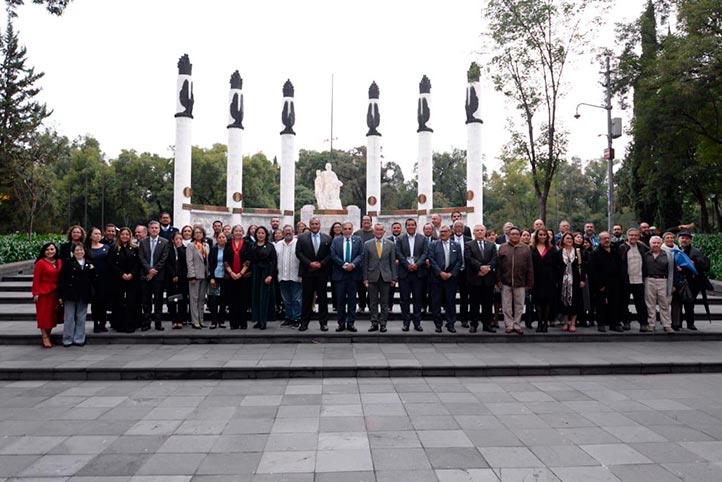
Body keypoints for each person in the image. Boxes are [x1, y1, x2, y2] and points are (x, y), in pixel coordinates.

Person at [296, 217, 332, 331]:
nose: (315, 226)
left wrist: (321, 264)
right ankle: (304, 323)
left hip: (322, 272)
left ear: (320, 225)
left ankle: (323, 323)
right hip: (308, 272)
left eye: (317, 224)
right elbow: (298, 252)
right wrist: (309, 263)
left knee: (323, 299)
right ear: (310, 225)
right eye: (312, 224)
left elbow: (331, 254)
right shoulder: (302, 238)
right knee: (306, 298)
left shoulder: (327, 238)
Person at [497, 227, 534, 335]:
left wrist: (529, 282)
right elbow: (498, 266)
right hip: (506, 281)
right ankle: (509, 325)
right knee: (506, 305)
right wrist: (498, 279)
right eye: (512, 234)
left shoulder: (526, 248)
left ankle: (517, 324)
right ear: (509, 235)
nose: (515, 236)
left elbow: (529, 267)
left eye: (517, 234)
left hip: (520, 281)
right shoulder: (502, 248)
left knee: (519, 305)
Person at [58, 243, 95, 347]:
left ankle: (79, 338)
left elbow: (92, 278)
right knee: (69, 317)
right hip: (70, 293)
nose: (79, 252)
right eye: (77, 250)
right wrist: (60, 295)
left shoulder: (89, 263)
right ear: (73, 252)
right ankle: (67, 338)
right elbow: (61, 279)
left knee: (81, 316)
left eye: (81, 250)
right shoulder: (68, 263)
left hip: (84, 293)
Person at [330, 221, 364, 332]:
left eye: (350, 228)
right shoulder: (336, 241)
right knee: (340, 301)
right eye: (345, 229)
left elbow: (361, 254)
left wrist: (353, 265)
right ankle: (341, 323)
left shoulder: (358, 240)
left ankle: (351, 323)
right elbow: (333, 255)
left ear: (352, 229)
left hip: (353, 275)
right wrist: (344, 265)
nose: (347, 231)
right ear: (342, 230)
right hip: (340, 275)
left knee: (352, 301)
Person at [396, 218, 428, 332]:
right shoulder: (400, 239)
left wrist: (417, 264)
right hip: (404, 273)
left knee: (417, 299)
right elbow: (398, 253)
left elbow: (425, 253)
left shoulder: (423, 239)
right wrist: (407, 265)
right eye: (408, 225)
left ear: (416, 226)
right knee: (404, 299)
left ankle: (417, 322)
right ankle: (406, 322)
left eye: (412, 225)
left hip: (418, 273)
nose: (410, 227)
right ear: (406, 227)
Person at [364, 223, 397, 333]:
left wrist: (394, 278)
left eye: (381, 230)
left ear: (384, 232)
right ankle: (374, 323)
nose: (379, 232)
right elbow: (365, 263)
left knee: (384, 302)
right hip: (372, 276)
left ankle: (383, 323)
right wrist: (365, 278)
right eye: (377, 230)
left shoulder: (390, 244)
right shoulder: (367, 244)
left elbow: (393, 262)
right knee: (372, 302)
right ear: (373, 232)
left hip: (386, 277)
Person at [429, 225, 462, 333]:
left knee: (450, 302)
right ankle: (438, 324)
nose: (442, 233)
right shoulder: (433, 245)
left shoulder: (456, 245)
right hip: (437, 279)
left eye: (445, 231)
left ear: (450, 233)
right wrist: (440, 272)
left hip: (451, 279)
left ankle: (451, 323)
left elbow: (459, 261)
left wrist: (451, 274)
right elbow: (431, 260)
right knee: (436, 302)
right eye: (441, 231)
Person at [465, 224, 497, 333]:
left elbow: (494, 259)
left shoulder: (491, 245)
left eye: (481, 230)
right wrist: (480, 267)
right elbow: (469, 258)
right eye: (477, 230)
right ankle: (474, 324)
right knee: (474, 303)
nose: (479, 232)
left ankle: (487, 324)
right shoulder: (469, 244)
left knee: (487, 303)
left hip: (488, 279)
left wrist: (488, 268)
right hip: (475, 278)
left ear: (485, 232)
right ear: (473, 233)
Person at [108, 227, 141, 333]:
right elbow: (111, 264)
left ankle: (132, 323)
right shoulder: (113, 248)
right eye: (123, 234)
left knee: (132, 301)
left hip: (132, 279)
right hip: (118, 279)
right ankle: (119, 324)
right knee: (119, 301)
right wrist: (121, 274)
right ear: (119, 235)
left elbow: (138, 263)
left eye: (127, 234)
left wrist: (131, 274)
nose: (125, 236)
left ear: (130, 236)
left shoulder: (135, 248)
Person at [138, 221, 169, 331]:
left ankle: (158, 322)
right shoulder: (143, 242)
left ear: (159, 229)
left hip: (158, 276)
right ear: (148, 229)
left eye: (156, 228)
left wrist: (154, 270)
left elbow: (164, 258)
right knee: (146, 300)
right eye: (152, 228)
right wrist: (149, 270)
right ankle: (146, 322)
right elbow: (141, 258)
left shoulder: (165, 242)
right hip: (145, 275)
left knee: (158, 300)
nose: (154, 230)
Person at [589, 232, 623, 332]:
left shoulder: (614, 251)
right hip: (601, 283)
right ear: (599, 240)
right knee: (601, 304)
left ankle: (614, 323)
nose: (607, 240)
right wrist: (599, 284)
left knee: (615, 303)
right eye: (604, 238)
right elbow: (592, 270)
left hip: (615, 282)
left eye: (608, 238)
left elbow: (619, 266)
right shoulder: (595, 253)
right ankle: (601, 324)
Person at [618, 227, 650, 332]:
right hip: (625, 280)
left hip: (639, 279)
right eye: (631, 235)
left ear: (638, 236)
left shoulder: (642, 247)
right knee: (624, 302)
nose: (633, 237)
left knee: (640, 303)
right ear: (627, 236)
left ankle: (643, 323)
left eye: (635, 235)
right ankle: (626, 322)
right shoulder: (622, 247)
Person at [677, 232, 709, 330]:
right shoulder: (674, 249)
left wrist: (694, 263)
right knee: (677, 304)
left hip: (692, 282)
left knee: (690, 304)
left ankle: (690, 323)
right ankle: (678, 323)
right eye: (682, 238)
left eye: (687, 238)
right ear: (679, 239)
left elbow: (704, 266)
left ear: (690, 240)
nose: (684, 240)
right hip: (678, 281)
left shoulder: (696, 251)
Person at [643, 236, 676, 333]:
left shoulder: (668, 255)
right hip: (649, 280)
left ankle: (667, 325)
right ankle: (651, 324)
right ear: (650, 244)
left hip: (664, 281)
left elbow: (673, 271)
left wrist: (673, 284)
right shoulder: (645, 255)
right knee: (650, 304)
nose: (656, 245)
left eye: (658, 243)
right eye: (654, 243)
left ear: (661, 244)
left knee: (665, 304)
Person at [32, 242, 62, 348]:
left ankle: (48, 334)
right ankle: (45, 336)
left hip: (56, 292)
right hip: (44, 292)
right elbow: (36, 279)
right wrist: (35, 293)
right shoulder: (40, 263)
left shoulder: (59, 261)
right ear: (44, 251)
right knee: (44, 315)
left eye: (52, 249)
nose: (50, 251)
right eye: (48, 249)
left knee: (52, 315)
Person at [530, 228, 558, 333]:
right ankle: (539, 322)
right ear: (537, 236)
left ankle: (545, 323)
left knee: (547, 302)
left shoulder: (552, 249)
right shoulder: (532, 248)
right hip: (536, 279)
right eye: (540, 235)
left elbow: (556, 265)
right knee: (537, 301)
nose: (542, 237)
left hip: (549, 279)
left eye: (544, 235)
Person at [557, 232, 586, 333]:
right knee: (564, 302)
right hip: (563, 281)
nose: (569, 240)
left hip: (575, 280)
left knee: (575, 302)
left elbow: (582, 267)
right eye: (567, 238)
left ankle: (573, 323)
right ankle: (565, 323)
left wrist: (582, 280)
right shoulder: (559, 252)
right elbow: (556, 268)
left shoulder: (578, 252)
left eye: (570, 238)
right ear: (563, 240)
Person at [249, 226, 277, 330]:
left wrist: (270, 275)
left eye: (262, 233)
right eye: (258, 233)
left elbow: (274, 262)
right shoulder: (252, 246)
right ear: (256, 234)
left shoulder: (270, 246)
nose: (260, 235)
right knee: (256, 297)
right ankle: (258, 320)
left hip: (266, 273)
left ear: (266, 235)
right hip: (255, 273)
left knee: (264, 297)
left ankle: (264, 321)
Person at [224, 225, 252, 329]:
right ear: (232, 232)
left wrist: (240, 273)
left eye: (240, 231)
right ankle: (233, 324)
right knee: (232, 301)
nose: (238, 233)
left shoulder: (247, 244)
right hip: (230, 276)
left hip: (244, 276)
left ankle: (243, 323)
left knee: (243, 300)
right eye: (236, 231)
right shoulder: (227, 244)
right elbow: (225, 260)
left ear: (243, 232)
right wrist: (231, 273)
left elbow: (249, 260)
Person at [275, 225, 302, 328]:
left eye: (289, 231)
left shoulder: (298, 243)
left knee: (297, 299)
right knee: (286, 299)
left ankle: (297, 318)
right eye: (286, 231)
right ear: (283, 232)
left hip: (295, 276)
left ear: (293, 232)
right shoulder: (278, 245)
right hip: (282, 276)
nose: (288, 233)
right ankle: (288, 317)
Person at [86, 227, 111, 333]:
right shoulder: (87, 249)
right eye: (95, 233)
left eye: (99, 233)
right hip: (93, 279)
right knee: (95, 303)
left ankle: (103, 323)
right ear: (90, 235)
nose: (98, 235)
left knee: (104, 302)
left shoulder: (106, 247)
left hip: (105, 278)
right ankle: (96, 323)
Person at [187, 226, 209, 329]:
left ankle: (201, 319)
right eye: (196, 233)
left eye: (200, 232)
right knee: (194, 299)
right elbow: (189, 262)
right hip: (195, 276)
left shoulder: (206, 245)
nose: (198, 234)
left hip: (204, 275)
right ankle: (195, 321)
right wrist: (191, 275)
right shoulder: (191, 246)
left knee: (201, 299)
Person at [167, 232, 189, 330]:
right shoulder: (168, 250)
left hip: (183, 278)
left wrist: (180, 248)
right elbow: (167, 264)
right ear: (172, 240)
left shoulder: (185, 249)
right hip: (170, 278)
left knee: (182, 299)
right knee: (171, 299)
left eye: (180, 239)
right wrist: (173, 274)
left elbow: (185, 262)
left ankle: (181, 319)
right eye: (177, 239)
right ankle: (174, 320)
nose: (179, 240)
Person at [452, 220, 472, 328]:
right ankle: (451, 318)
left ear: (463, 229)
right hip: (452, 272)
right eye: (457, 227)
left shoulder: (469, 241)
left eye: (461, 227)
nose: (459, 229)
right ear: (453, 229)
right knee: (451, 296)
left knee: (465, 297)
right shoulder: (449, 240)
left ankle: (464, 319)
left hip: (466, 272)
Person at [354, 215, 374, 313]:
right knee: (360, 287)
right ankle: (361, 305)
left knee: (371, 287)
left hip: (372, 265)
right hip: (359, 265)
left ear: (371, 222)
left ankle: (371, 305)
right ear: (362, 222)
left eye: (368, 220)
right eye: (364, 220)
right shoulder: (357, 233)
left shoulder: (375, 233)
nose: (366, 221)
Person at [208, 232, 228, 329]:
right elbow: (210, 264)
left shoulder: (228, 249)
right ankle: (213, 321)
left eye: (223, 237)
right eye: (219, 237)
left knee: (223, 300)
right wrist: (211, 277)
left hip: (225, 277)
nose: (221, 239)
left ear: (226, 239)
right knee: (213, 300)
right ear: (217, 239)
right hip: (215, 277)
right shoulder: (214, 250)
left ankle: (222, 321)